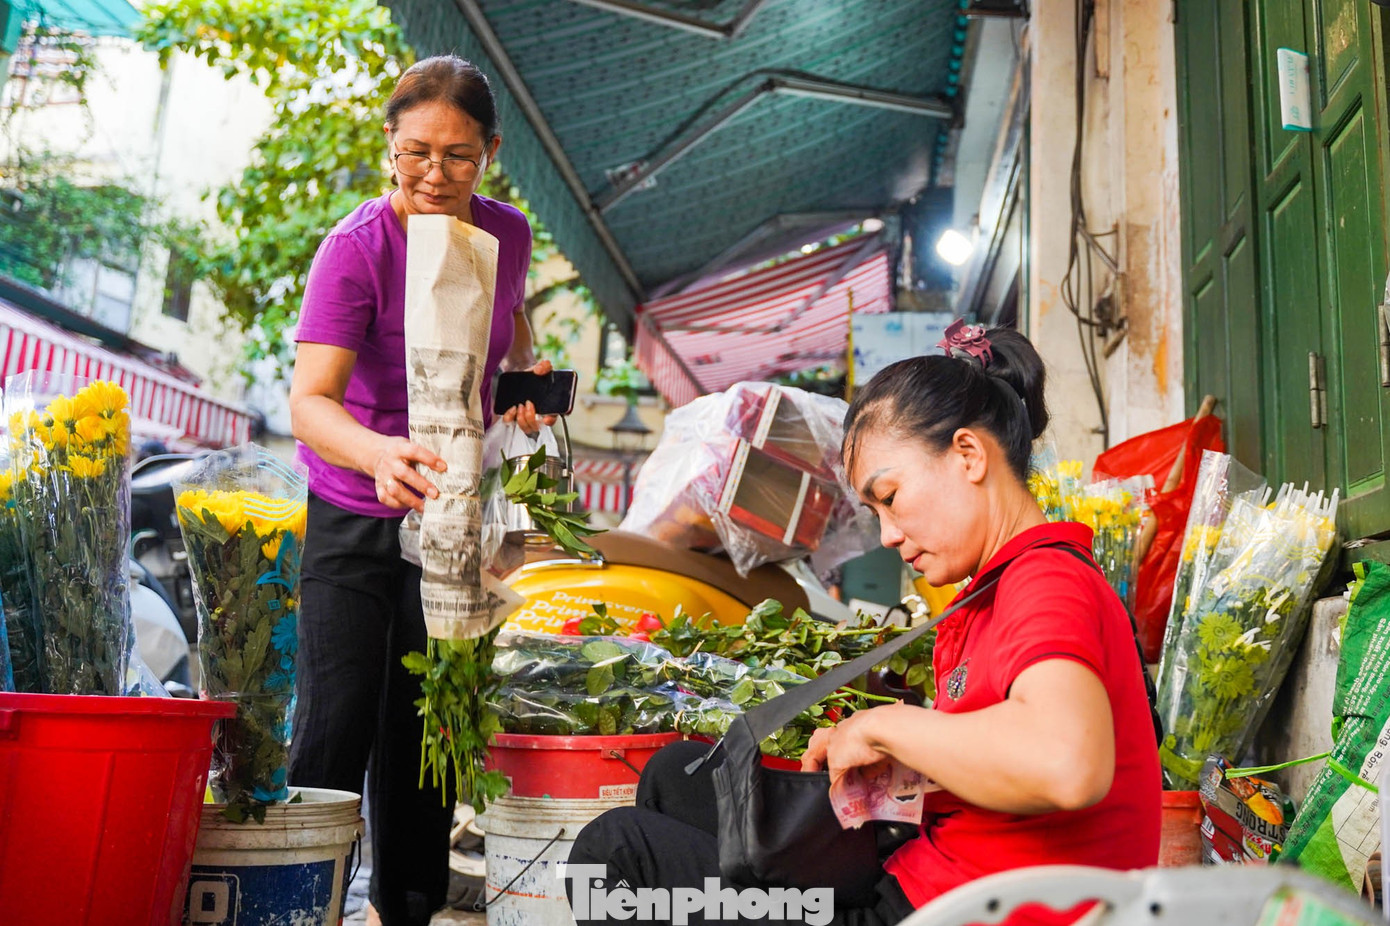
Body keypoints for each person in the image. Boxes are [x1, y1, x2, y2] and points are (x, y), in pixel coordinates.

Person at [566, 325, 1161, 925]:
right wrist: (893, 770)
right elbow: (1000, 756)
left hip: (947, 909)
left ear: (969, 456)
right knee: (677, 777)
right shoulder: (996, 588)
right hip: (923, 873)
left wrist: (884, 727)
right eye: (874, 511)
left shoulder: (1045, 581)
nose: (888, 536)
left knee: (615, 855)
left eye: (891, 497)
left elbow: (1066, 764)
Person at [287, 55, 547, 926]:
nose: (435, 174)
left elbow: (512, 330)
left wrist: (526, 382)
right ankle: (304, 901)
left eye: (458, 155)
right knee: (336, 723)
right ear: (389, 146)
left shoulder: (507, 234)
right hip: (355, 512)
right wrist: (377, 455)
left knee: (427, 727)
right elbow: (309, 404)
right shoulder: (356, 250)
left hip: (453, 515)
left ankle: (404, 909)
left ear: (490, 153)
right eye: (416, 153)